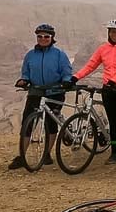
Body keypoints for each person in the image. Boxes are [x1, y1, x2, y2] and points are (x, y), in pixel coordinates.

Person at [71, 19, 116, 164]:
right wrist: (76, 77)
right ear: (108, 32)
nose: (115, 35)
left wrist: (115, 80)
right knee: (113, 122)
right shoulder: (103, 49)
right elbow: (91, 65)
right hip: (108, 88)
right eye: (112, 32)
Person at [10, 23, 73, 169]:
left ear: (52, 38)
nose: (43, 39)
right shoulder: (30, 55)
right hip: (36, 92)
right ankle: (21, 156)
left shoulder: (59, 55)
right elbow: (25, 71)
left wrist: (66, 81)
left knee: (51, 124)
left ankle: (46, 154)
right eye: (40, 36)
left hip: (55, 92)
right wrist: (24, 79)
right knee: (27, 123)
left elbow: (66, 71)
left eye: (46, 36)